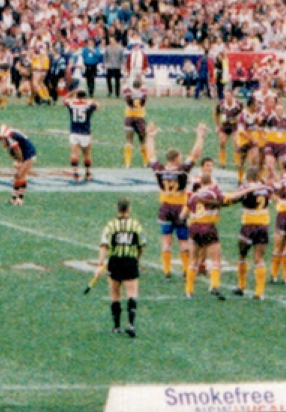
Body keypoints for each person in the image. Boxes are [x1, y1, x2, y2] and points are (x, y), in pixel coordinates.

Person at [182, 144, 229, 300]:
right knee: (215, 258)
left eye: (211, 165)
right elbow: (223, 200)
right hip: (206, 222)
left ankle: (189, 290)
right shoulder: (202, 183)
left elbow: (189, 203)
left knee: (194, 258)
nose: (210, 168)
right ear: (202, 167)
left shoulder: (202, 187)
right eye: (207, 165)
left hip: (195, 223)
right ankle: (214, 285)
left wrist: (186, 216)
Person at [96, 198, 144, 337]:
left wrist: (100, 264)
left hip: (115, 261)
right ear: (129, 209)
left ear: (117, 209)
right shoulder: (136, 225)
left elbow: (104, 245)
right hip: (130, 260)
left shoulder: (110, 226)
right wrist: (137, 259)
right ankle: (131, 323)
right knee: (132, 292)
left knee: (115, 293)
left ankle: (116, 326)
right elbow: (141, 245)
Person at [233, 169, 275, 300]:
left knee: (242, 255)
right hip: (263, 225)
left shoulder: (245, 188)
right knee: (259, 258)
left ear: (247, 177)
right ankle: (259, 292)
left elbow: (233, 198)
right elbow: (274, 198)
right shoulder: (266, 189)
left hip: (248, 225)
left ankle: (241, 286)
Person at [152, 146, 192, 277]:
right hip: (180, 208)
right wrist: (200, 137)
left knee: (166, 242)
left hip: (165, 208)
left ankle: (167, 271)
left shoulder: (160, 170)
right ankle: (186, 270)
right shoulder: (181, 171)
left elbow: (151, 155)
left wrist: (151, 137)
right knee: (183, 241)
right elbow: (195, 155)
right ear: (175, 158)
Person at [0, 123, 36, 205]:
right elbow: (9, 150)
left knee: (19, 174)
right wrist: (15, 160)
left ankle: (19, 199)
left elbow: (16, 149)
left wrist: (20, 161)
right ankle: (16, 198)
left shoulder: (8, 136)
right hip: (22, 152)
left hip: (28, 152)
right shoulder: (3, 137)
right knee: (19, 175)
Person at [64, 92, 99, 182]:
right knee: (86, 154)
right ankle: (87, 173)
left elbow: (64, 100)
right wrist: (89, 101)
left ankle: (75, 173)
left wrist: (71, 93)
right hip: (85, 132)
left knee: (74, 153)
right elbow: (97, 105)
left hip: (74, 132)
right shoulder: (87, 105)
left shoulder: (72, 104)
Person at [121, 83, 154, 167]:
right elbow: (144, 98)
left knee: (129, 140)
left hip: (129, 118)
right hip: (139, 118)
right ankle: (146, 161)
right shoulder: (143, 93)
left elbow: (127, 96)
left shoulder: (128, 92)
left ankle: (127, 163)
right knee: (142, 140)